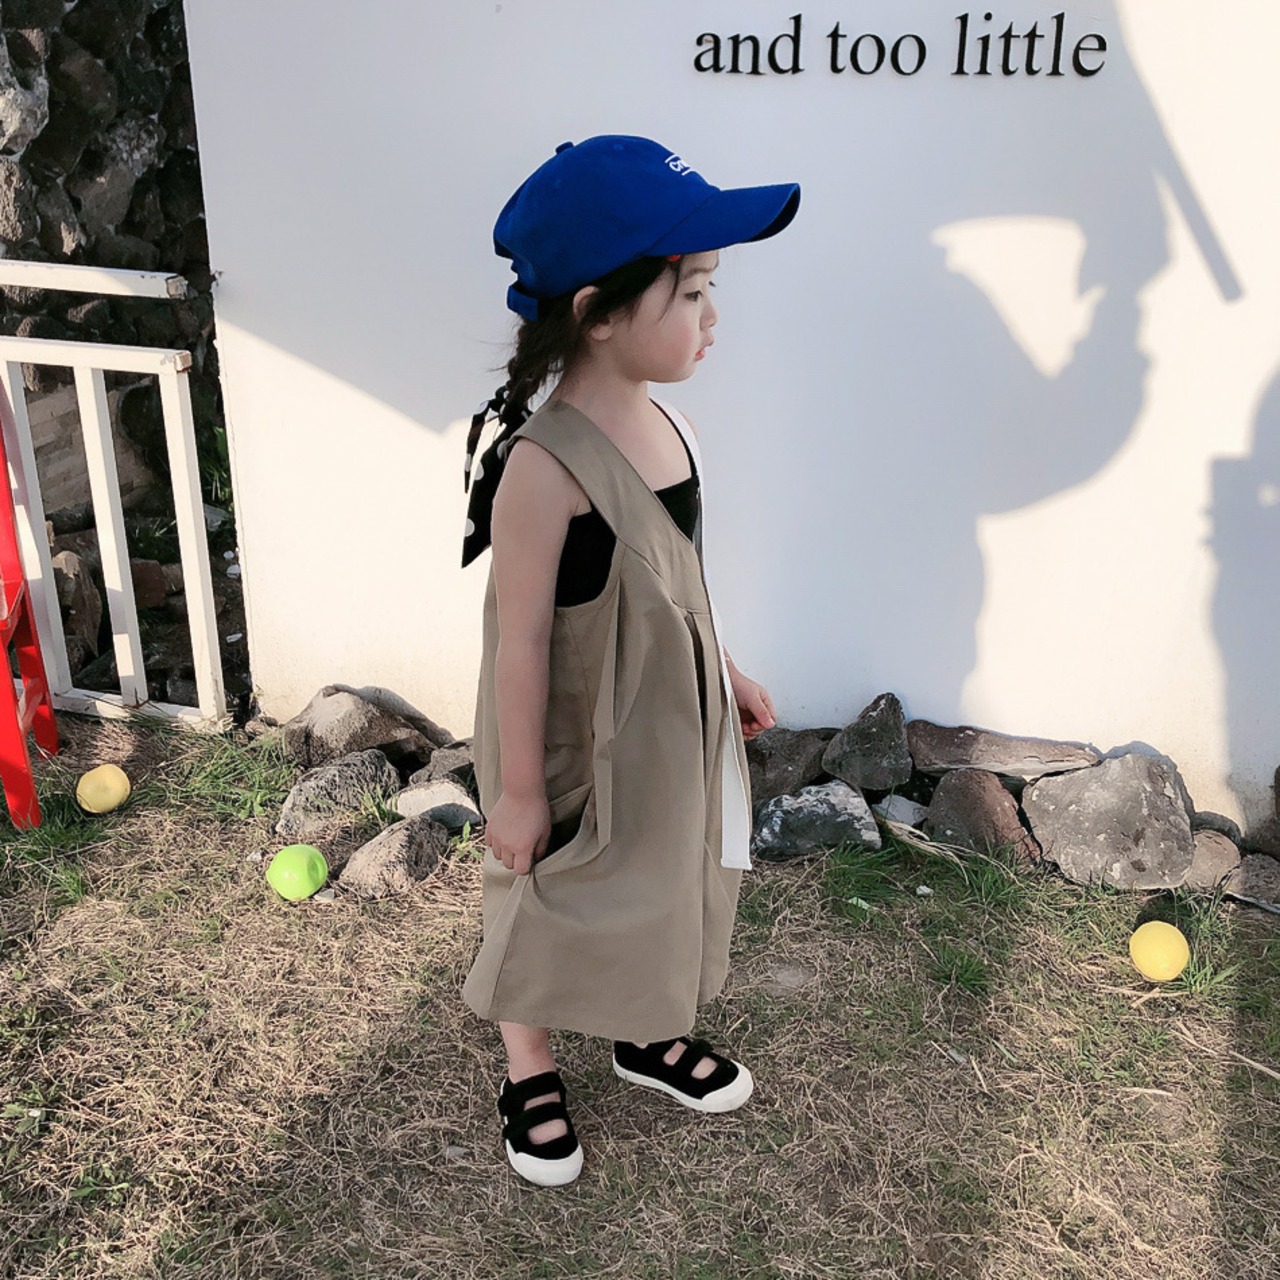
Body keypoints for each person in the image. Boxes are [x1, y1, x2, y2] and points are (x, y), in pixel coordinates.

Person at [460, 135, 799, 1186]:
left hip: (661, 715)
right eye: (690, 292)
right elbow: (519, 637)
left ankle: (644, 1029)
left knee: (660, 862)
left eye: (709, 289)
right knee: (545, 876)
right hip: (564, 725)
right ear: (597, 312)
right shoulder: (542, 466)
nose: (711, 316)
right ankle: (528, 1065)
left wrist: (723, 666)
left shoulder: (674, 428)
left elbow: (676, 573)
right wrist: (522, 791)